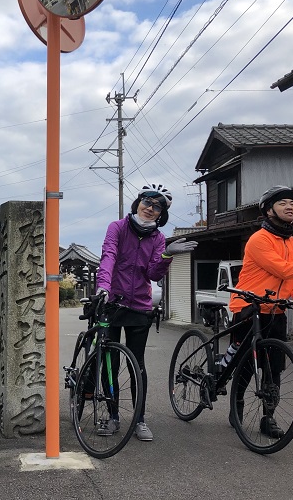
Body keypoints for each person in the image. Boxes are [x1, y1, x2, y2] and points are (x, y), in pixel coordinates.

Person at [227, 185, 293, 437]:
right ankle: (237, 406)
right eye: (283, 203)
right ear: (268, 210)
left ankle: (268, 418)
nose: (290, 207)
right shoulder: (258, 240)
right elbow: (283, 270)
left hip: (276, 310)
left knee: (274, 367)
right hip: (248, 307)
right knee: (245, 363)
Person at [95, 184, 197, 441]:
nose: (150, 209)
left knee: (136, 364)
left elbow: (152, 274)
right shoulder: (117, 227)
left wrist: (166, 255)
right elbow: (108, 257)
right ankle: (114, 416)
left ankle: (139, 419)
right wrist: (104, 288)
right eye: (147, 202)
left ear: (161, 214)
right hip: (112, 302)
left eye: (157, 206)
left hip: (140, 305)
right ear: (138, 202)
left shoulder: (158, 239)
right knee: (111, 362)